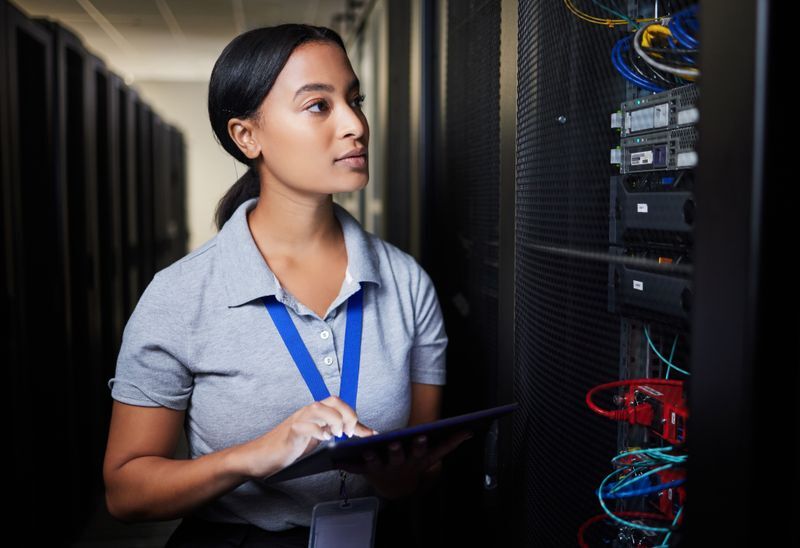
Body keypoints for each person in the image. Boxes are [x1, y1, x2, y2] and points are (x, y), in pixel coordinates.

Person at [102, 23, 470, 547]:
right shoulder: (180, 294)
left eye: (355, 100)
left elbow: (423, 466)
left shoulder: (406, 282)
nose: (355, 125)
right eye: (319, 105)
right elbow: (126, 493)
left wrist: (399, 479)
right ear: (246, 136)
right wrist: (256, 455)